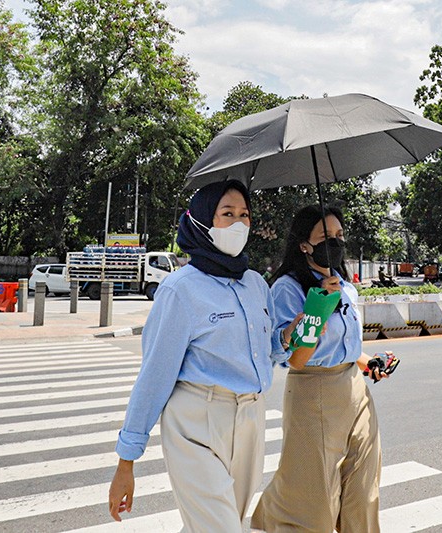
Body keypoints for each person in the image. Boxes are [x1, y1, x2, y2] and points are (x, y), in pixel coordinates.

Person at [108, 180, 299, 531]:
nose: (239, 224)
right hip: (196, 421)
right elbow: (154, 376)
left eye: (245, 215)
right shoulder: (181, 289)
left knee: (222, 523)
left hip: (251, 418)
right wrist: (127, 461)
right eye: (227, 214)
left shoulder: (255, 283)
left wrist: (286, 337)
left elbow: (267, 350)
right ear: (199, 222)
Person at [251, 205, 389, 533]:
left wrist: (369, 363)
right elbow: (296, 360)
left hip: (355, 388)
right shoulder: (287, 287)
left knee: (364, 489)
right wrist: (318, 309)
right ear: (304, 245)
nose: (336, 243)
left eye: (340, 236)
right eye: (326, 237)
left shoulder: (344, 283)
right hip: (314, 392)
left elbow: (347, 344)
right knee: (315, 497)